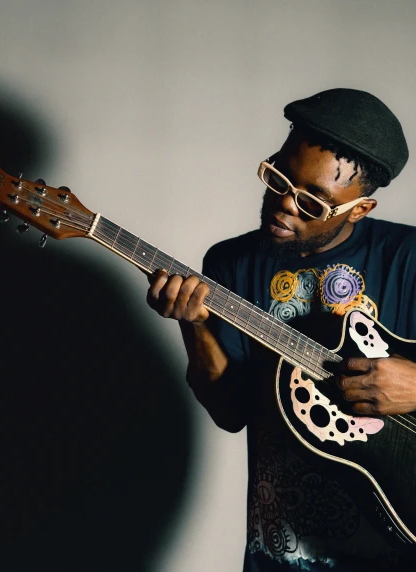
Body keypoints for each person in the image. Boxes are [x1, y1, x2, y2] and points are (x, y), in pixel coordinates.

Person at [147, 88, 416, 570]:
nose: (284, 207)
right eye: (277, 180)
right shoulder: (230, 262)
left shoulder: (408, 259)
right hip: (281, 551)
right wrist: (196, 328)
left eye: (313, 203)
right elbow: (231, 411)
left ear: (358, 210)